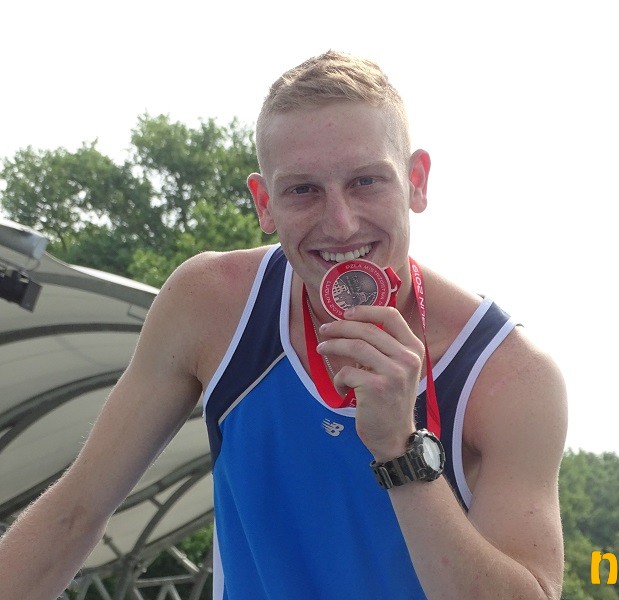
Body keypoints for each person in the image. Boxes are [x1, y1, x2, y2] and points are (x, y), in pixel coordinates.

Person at [0, 50, 567, 599]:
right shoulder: (212, 305)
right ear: (264, 203)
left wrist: (400, 449)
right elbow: (74, 513)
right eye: (303, 190)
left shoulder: (508, 375)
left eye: (367, 181)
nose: (341, 224)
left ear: (416, 181)